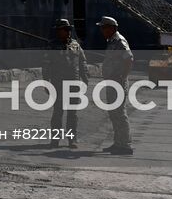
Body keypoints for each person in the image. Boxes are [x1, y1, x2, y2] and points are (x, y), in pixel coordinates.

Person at [43, 18, 87, 149]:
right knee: (58, 112)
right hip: (58, 83)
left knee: (72, 114)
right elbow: (46, 65)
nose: (66, 32)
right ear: (58, 31)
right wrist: (46, 81)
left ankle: (72, 139)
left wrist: (85, 79)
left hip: (74, 83)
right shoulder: (51, 46)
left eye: (68, 30)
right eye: (63, 30)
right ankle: (55, 140)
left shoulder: (76, 45)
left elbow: (82, 62)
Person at [97, 16, 133, 155]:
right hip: (112, 83)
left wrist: (122, 77)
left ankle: (125, 145)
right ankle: (118, 143)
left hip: (117, 83)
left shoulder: (119, 41)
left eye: (104, 27)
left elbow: (129, 59)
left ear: (112, 28)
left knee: (119, 113)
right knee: (113, 113)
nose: (102, 30)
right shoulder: (112, 41)